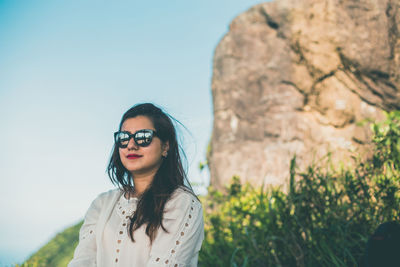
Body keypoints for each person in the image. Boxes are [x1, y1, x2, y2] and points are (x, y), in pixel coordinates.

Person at [68, 103, 204, 267]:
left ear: (165, 146)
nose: (131, 145)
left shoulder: (182, 203)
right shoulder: (102, 204)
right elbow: (83, 261)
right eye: (124, 138)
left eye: (143, 137)